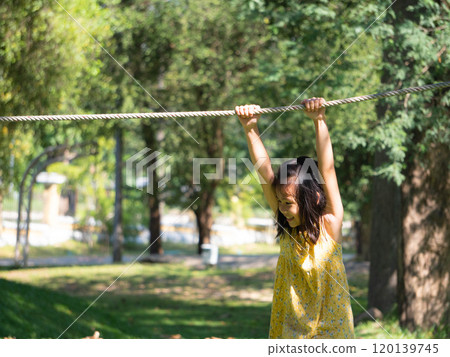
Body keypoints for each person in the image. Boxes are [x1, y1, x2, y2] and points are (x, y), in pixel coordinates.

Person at [236, 98, 355, 339]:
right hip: (291, 331)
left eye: (288, 203)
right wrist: (250, 127)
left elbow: (328, 169)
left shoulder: (330, 223)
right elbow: (264, 169)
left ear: (313, 199)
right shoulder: (287, 226)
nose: (281, 208)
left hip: (331, 331)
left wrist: (319, 120)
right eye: (279, 201)